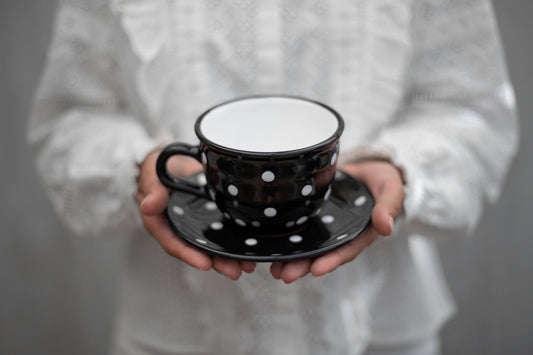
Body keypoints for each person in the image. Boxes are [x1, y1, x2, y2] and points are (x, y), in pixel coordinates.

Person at [28, 0, 518, 354]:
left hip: (380, 332)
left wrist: (399, 168)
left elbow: (471, 106)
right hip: (174, 336)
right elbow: (72, 115)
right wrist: (141, 167)